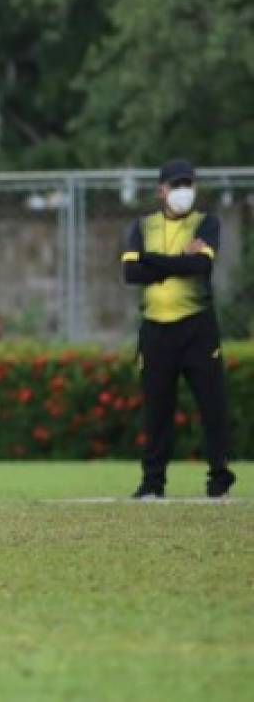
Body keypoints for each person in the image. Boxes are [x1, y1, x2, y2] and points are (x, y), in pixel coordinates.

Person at [122, 159, 235, 499]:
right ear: (161, 191)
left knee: (213, 407)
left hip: (198, 329)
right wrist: (176, 263)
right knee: (157, 412)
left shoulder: (207, 223)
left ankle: (219, 481)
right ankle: (152, 484)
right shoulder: (143, 226)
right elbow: (130, 274)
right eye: (176, 185)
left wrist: (152, 260)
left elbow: (200, 265)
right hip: (156, 332)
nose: (183, 192)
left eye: (189, 184)